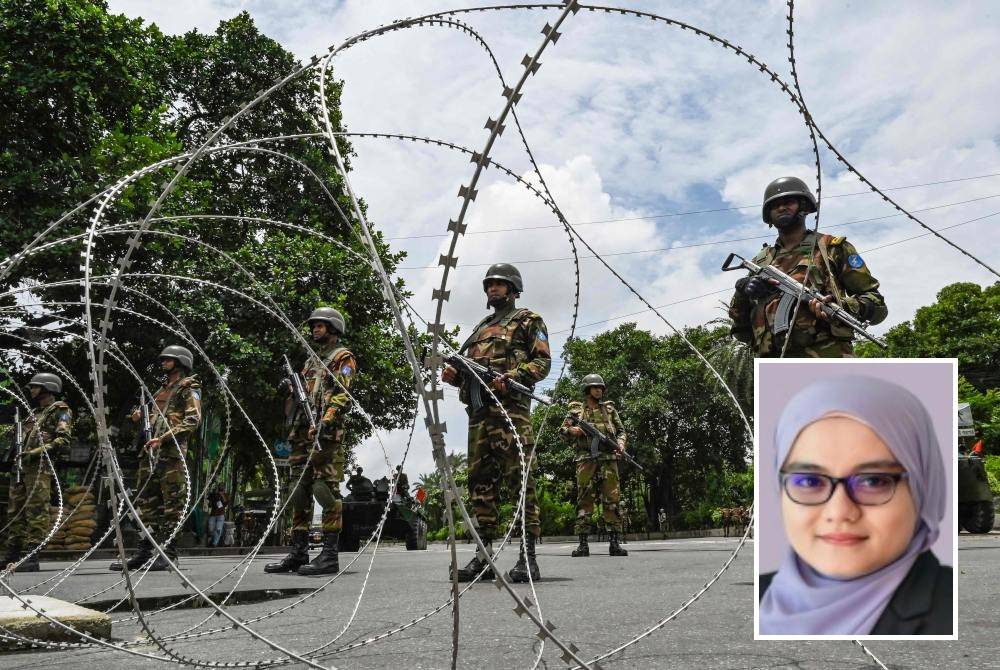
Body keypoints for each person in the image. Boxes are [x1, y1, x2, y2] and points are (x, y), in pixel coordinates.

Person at [759, 376, 951, 635]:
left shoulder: (951, 611)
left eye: (873, 481)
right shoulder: (757, 597)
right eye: (809, 480)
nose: (839, 512)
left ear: (923, 488)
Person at [442, 263, 551, 583]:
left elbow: (542, 362)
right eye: (490, 284)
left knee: (521, 482)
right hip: (479, 416)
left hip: (511, 414)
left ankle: (527, 558)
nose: (493, 288)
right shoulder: (479, 329)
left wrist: (513, 377)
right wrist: (455, 376)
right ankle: (483, 557)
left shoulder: (529, 321)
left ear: (514, 289)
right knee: (480, 485)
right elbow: (469, 373)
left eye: (500, 284)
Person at [729, 177, 887, 357]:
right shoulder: (760, 262)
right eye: (775, 205)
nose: (781, 208)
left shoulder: (830, 248)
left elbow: (877, 305)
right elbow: (741, 331)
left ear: (803, 205)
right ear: (768, 214)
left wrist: (841, 306)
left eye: (788, 202)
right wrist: (742, 291)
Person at [265, 307, 356, 576]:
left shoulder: (343, 357)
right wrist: (291, 390)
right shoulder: (309, 363)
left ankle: (329, 556)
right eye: (313, 326)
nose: (315, 329)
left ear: (333, 328)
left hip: (325, 434)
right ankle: (299, 552)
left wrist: (326, 420)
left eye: (320, 325)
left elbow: (342, 394)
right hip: (302, 433)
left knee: (324, 490)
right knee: (299, 492)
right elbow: (301, 399)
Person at [111, 345, 201, 572]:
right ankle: (146, 551)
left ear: (179, 362)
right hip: (149, 454)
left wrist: (163, 438)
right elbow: (154, 420)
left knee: (172, 505)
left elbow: (192, 420)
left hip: (171, 455)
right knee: (146, 505)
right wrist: (140, 417)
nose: (163, 363)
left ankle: (168, 552)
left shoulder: (187, 388)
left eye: (168, 359)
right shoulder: (160, 391)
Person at [4, 373, 73, 572]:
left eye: (35, 386)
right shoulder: (33, 413)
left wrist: (34, 453)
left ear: (47, 388)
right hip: (22, 467)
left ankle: (31, 556)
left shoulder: (60, 410)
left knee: (36, 511)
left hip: (40, 467)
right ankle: (12, 554)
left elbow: (63, 440)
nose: (32, 390)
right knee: (15, 511)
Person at [561, 374, 628, 558]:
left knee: (612, 499)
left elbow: (621, 430)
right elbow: (562, 432)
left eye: (601, 387)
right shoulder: (576, 411)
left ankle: (614, 543)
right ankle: (583, 544)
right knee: (584, 499)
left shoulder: (609, 409)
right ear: (587, 390)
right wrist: (573, 431)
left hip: (608, 459)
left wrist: (621, 444)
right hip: (585, 460)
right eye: (595, 387)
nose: (599, 390)